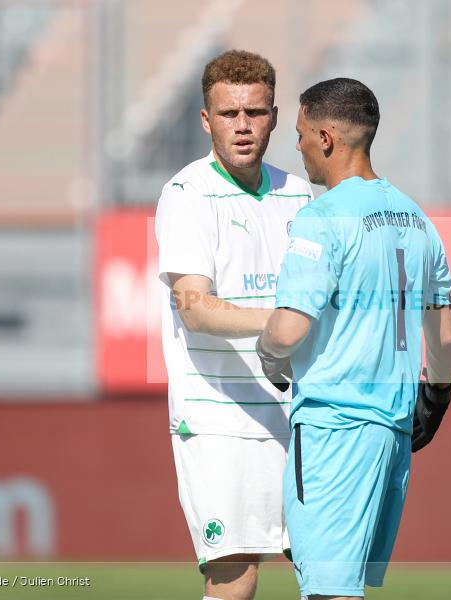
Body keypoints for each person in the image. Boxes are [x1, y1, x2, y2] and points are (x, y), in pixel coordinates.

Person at [255, 78, 451, 599]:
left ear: (326, 137)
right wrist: (435, 398)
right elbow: (447, 336)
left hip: (334, 429)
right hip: (391, 434)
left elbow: (288, 328)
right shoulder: (417, 220)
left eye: (301, 133)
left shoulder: (321, 219)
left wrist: (269, 353)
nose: (295, 145)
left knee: (328, 592)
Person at [154, 50, 312, 600]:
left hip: (299, 414)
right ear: (206, 119)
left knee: (323, 571)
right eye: (228, 114)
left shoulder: (298, 194)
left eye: (255, 112)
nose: (242, 125)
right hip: (220, 417)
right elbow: (194, 307)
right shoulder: (186, 194)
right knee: (235, 578)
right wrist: (281, 322)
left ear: (273, 115)